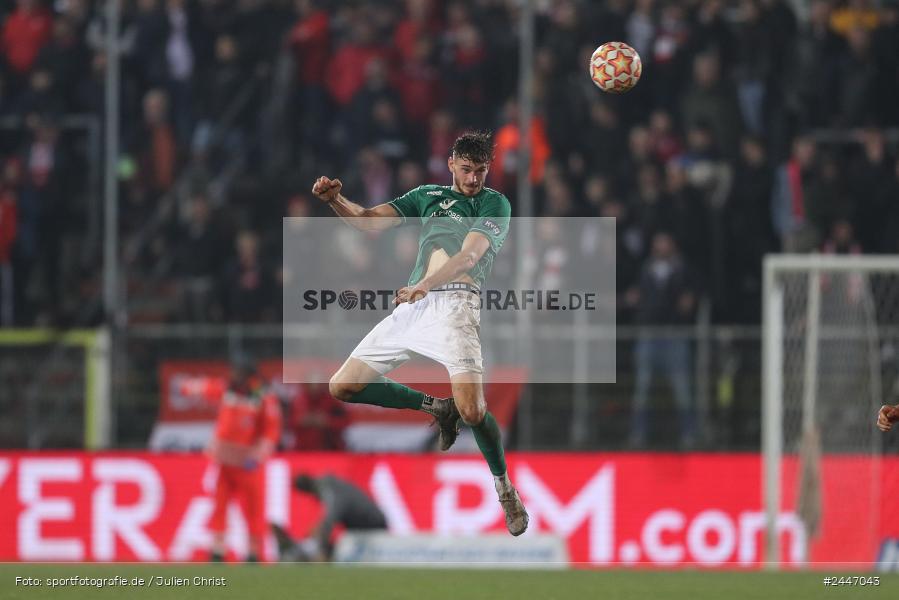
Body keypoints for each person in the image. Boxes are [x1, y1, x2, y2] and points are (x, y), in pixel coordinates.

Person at [310, 131, 528, 536]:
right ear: (450, 164)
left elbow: (468, 257)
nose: (473, 179)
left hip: (456, 305)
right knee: (342, 386)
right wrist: (336, 201)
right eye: (466, 170)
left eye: (481, 171)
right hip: (413, 307)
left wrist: (426, 285)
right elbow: (369, 223)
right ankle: (434, 407)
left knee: (474, 411)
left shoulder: (495, 203)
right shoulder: (426, 195)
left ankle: (504, 488)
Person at [201, 355, 282, 562]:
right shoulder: (229, 389)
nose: (234, 376)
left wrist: (258, 455)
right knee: (220, 505)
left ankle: (254, 552)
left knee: (254, 508)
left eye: (238, 373)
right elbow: (208, 388)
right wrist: (190, 387)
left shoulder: (263, 396)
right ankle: (218, 549)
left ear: (248, 375)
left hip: (248, 464)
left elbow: (271, 430)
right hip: (226, 461)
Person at [272, 473, 388, 562]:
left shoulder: (328, 488)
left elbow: (331, 517)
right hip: (362, 524)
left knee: (324, 535)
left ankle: (315, 553)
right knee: (324, 534)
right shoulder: (331, 485)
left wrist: (321, 543)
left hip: (372, 524)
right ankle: (312, 551)